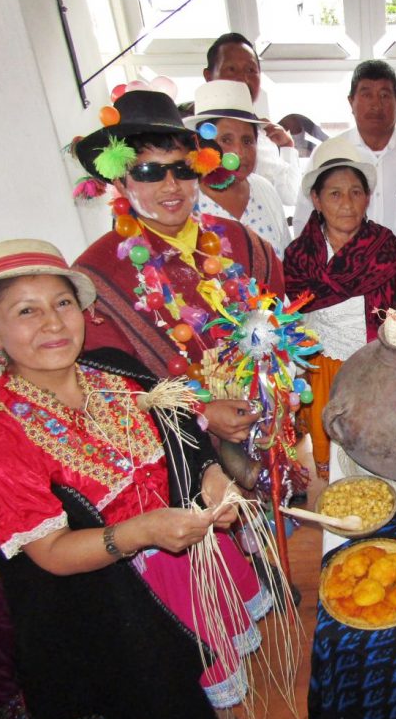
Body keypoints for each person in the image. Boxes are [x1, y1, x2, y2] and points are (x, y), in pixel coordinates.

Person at [0, 239, 271, 719]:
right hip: (112, 599)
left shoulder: (115, 375)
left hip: (189, 563)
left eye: (62, 304)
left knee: (207, 673)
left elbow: (184, 441)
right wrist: (144, 532)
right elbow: (51, 553)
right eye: (26, 311)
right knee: (158, 694)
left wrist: (212, 476)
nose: (53, 323)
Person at [72, 88, 285, 446]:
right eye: (149, 171)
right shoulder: (96, 277)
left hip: (265, 434)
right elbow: (107, 392)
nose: (171, 185)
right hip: (176, 457)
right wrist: (197, 410)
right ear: (120, 180)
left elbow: (279, 328)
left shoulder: (246, 245)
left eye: (181, 169)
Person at [284, 138, 396, 474]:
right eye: (334, 194)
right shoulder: (299, 255)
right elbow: (292, 317)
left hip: (375, 369)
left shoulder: (385, 248)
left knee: (373, 450)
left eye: (355, 193)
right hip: (322, 368)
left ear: (367, 199)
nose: (346, 203)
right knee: (331, 456)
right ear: (316, 200)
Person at [291, 59, 396, 242]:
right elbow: (303, 223)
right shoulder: (328, 155)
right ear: (351, 102)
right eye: (366, 94)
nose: (376, 104)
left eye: (385, 95)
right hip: (339, 269)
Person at [186, 79, 291, 258]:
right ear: (202, 144)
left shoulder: (264, 190)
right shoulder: (185, 198)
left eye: (247, 141)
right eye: (226, 140)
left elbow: (287, 261)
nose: (239, 153)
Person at [203, 32, 301, 207]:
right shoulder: (193, 137)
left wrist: (287, 148)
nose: (243, 79)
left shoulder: (264, 137)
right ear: (209, 76)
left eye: (251, 70)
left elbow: (290, 196)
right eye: (231, 69)